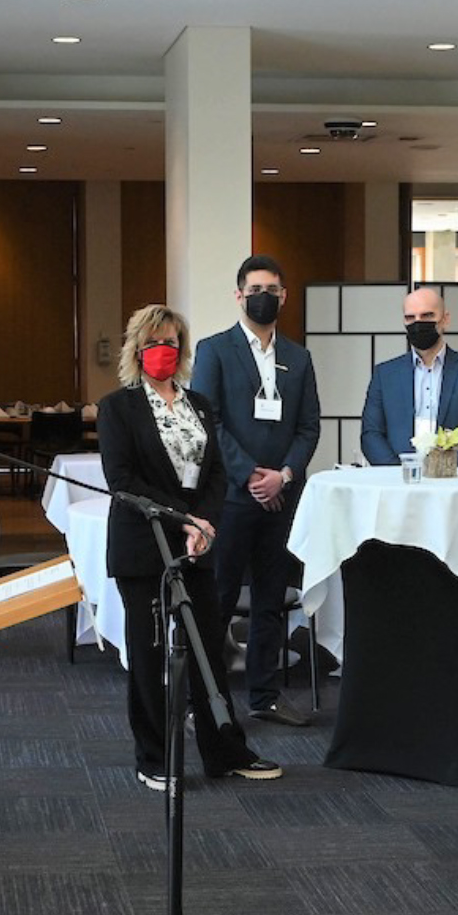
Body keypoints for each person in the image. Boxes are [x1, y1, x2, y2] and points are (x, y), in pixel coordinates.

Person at [98, 304, 283, 790]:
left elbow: (216, 472)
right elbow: (121, 480)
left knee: (207, 653)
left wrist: (205, 523)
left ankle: (225, 750)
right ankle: (154, 757)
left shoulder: (198, 404)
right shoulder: (118, 407)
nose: (165, 350)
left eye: (173, 341)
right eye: (155, 341)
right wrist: (184, 518)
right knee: (149, 654)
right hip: (143, 546)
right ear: (138, 349)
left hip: (197, 546)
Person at [191, 254, 323, 729]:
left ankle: (264, 695)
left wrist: (282, 475)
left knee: (270, 599)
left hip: (282, 498)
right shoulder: (214, 350)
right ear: (239, 294)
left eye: (272, 288)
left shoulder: (299, 357)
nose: (263, 296)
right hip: (230, 498)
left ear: (283, 296)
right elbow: (209, 421)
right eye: (254, 288)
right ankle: (204, 700)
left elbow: (309, 428)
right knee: (219, 600)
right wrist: (250, 474)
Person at [358, 285, 458, 467]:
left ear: (445, 319)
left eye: (427, 316)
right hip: (398, 481)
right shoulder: (385, 375)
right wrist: (397, 473)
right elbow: (371, 434)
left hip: (453, 481)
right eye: (410, 317)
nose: (418, 323)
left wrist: (447, 469)